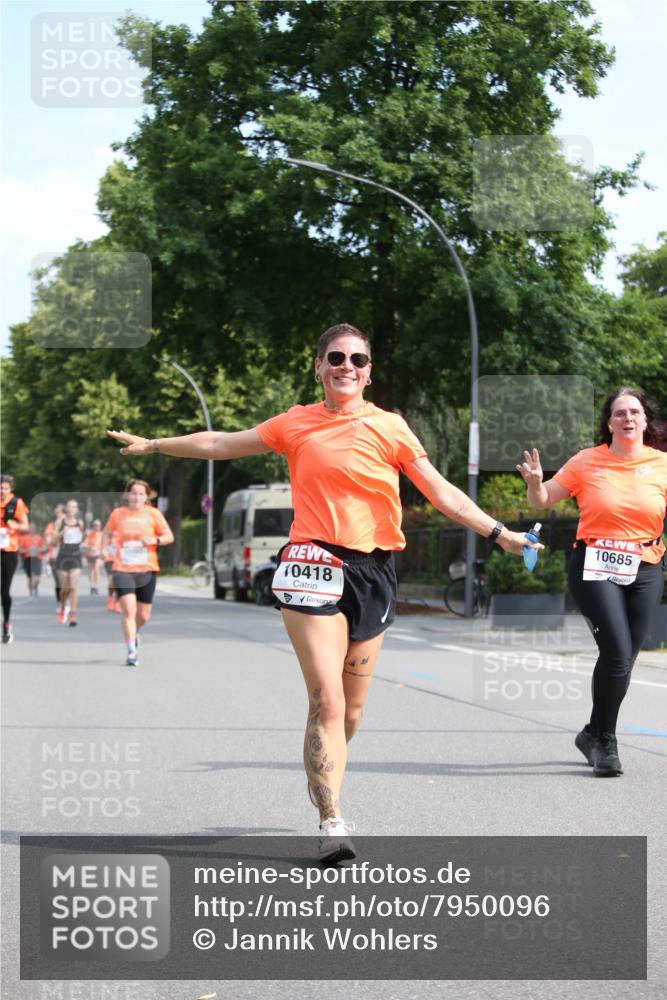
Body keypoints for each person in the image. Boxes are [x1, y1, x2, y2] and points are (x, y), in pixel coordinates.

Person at [108, 323, 538, 861]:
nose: (346, 367)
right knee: (326, 698)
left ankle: (322, 765)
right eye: (336, 357)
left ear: (368, 372)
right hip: (311, 564)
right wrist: (153, 444)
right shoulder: (295, 423)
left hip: (374, 570)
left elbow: (442, 493)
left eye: (357, 359)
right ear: (319, 366)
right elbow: (221, 442)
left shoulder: (391, 427)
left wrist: (500, 534)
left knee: (350, 713)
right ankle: (331, 819)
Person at [517, 386, 667, 777]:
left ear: (646, 421)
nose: (628, 418)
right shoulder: (587, 461)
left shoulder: (662, 464)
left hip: (646, 566)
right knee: (616, 652)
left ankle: (592, 733)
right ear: (609, 423)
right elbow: (542, 500)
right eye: (620, 413)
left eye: (635, 412)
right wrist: (535, 482)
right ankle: (606, 741)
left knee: (625, 658)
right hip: (595, 565)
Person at [101, 479, 173, 666]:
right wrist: (104, 548)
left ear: (147, 497)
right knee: (128, 611)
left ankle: (134, 633)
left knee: (143, 615)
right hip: (122, 568)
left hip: (146, 568)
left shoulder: (153, 514)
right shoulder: (118, 514)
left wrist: (155, 540)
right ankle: (131, 650)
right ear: (127, 495)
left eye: (141, 494)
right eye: (133, 493)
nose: (137, 497)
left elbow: (169, 536)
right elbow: (106, 533)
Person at [0, 474, 29, 643]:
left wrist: (16, 525)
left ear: (10, 489)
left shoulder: (16, 503)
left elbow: (25, 526)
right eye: (0, 488)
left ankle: (7, 623)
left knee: (4, 592)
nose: (2, 491)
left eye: (5, 488)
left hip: (9, 551)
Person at [54, 500, 85, 627]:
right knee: (64, 589)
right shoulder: (60, 522)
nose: (71, 509)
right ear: (66, 508)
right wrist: (62, 532)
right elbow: (53, 538)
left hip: (76, 557)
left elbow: (82, 538)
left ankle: (72, 614)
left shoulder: (80, 523)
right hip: (63, 557)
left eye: (74, 507)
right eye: (69, 506)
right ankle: (63, 608)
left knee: (72, 586)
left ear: (77, 510)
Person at [44, 504, 65, 604]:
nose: (61, 515)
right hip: (55, 555)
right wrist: (58, 535)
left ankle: (66, 601)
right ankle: (60, 602)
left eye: (63, 513)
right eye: (58, 513)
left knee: (68, 581)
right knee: (58, 581)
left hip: (69, 555)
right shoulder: (51, 526)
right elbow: (48, 541)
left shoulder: (70, 526)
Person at [19, 521, 46, 599]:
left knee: (37, 578)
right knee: (30, 577)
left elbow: (44, 548)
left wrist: (38, 549)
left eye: (33, 528)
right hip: (28, 558)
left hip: (37, 558)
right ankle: (31, 593)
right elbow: (20, 550)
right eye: (30, 528)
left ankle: (35, 588)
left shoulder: (39, 537)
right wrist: (28, 550)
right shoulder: (24, 538)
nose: (32, 529)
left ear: (35, 529)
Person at [83, 519, 103, 594]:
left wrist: (102, 550)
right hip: (90, 554)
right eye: (95, 525)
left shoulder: (102, 534)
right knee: (91, 571)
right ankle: (92, 587)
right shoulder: (89, 534)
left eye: (98, 525)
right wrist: (90, 547)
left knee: (97, 570)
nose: (96, 527)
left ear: (100, 526)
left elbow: (105, 544)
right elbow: (85, 544)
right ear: (93, 526)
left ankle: (96, 586)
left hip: (98, 554)